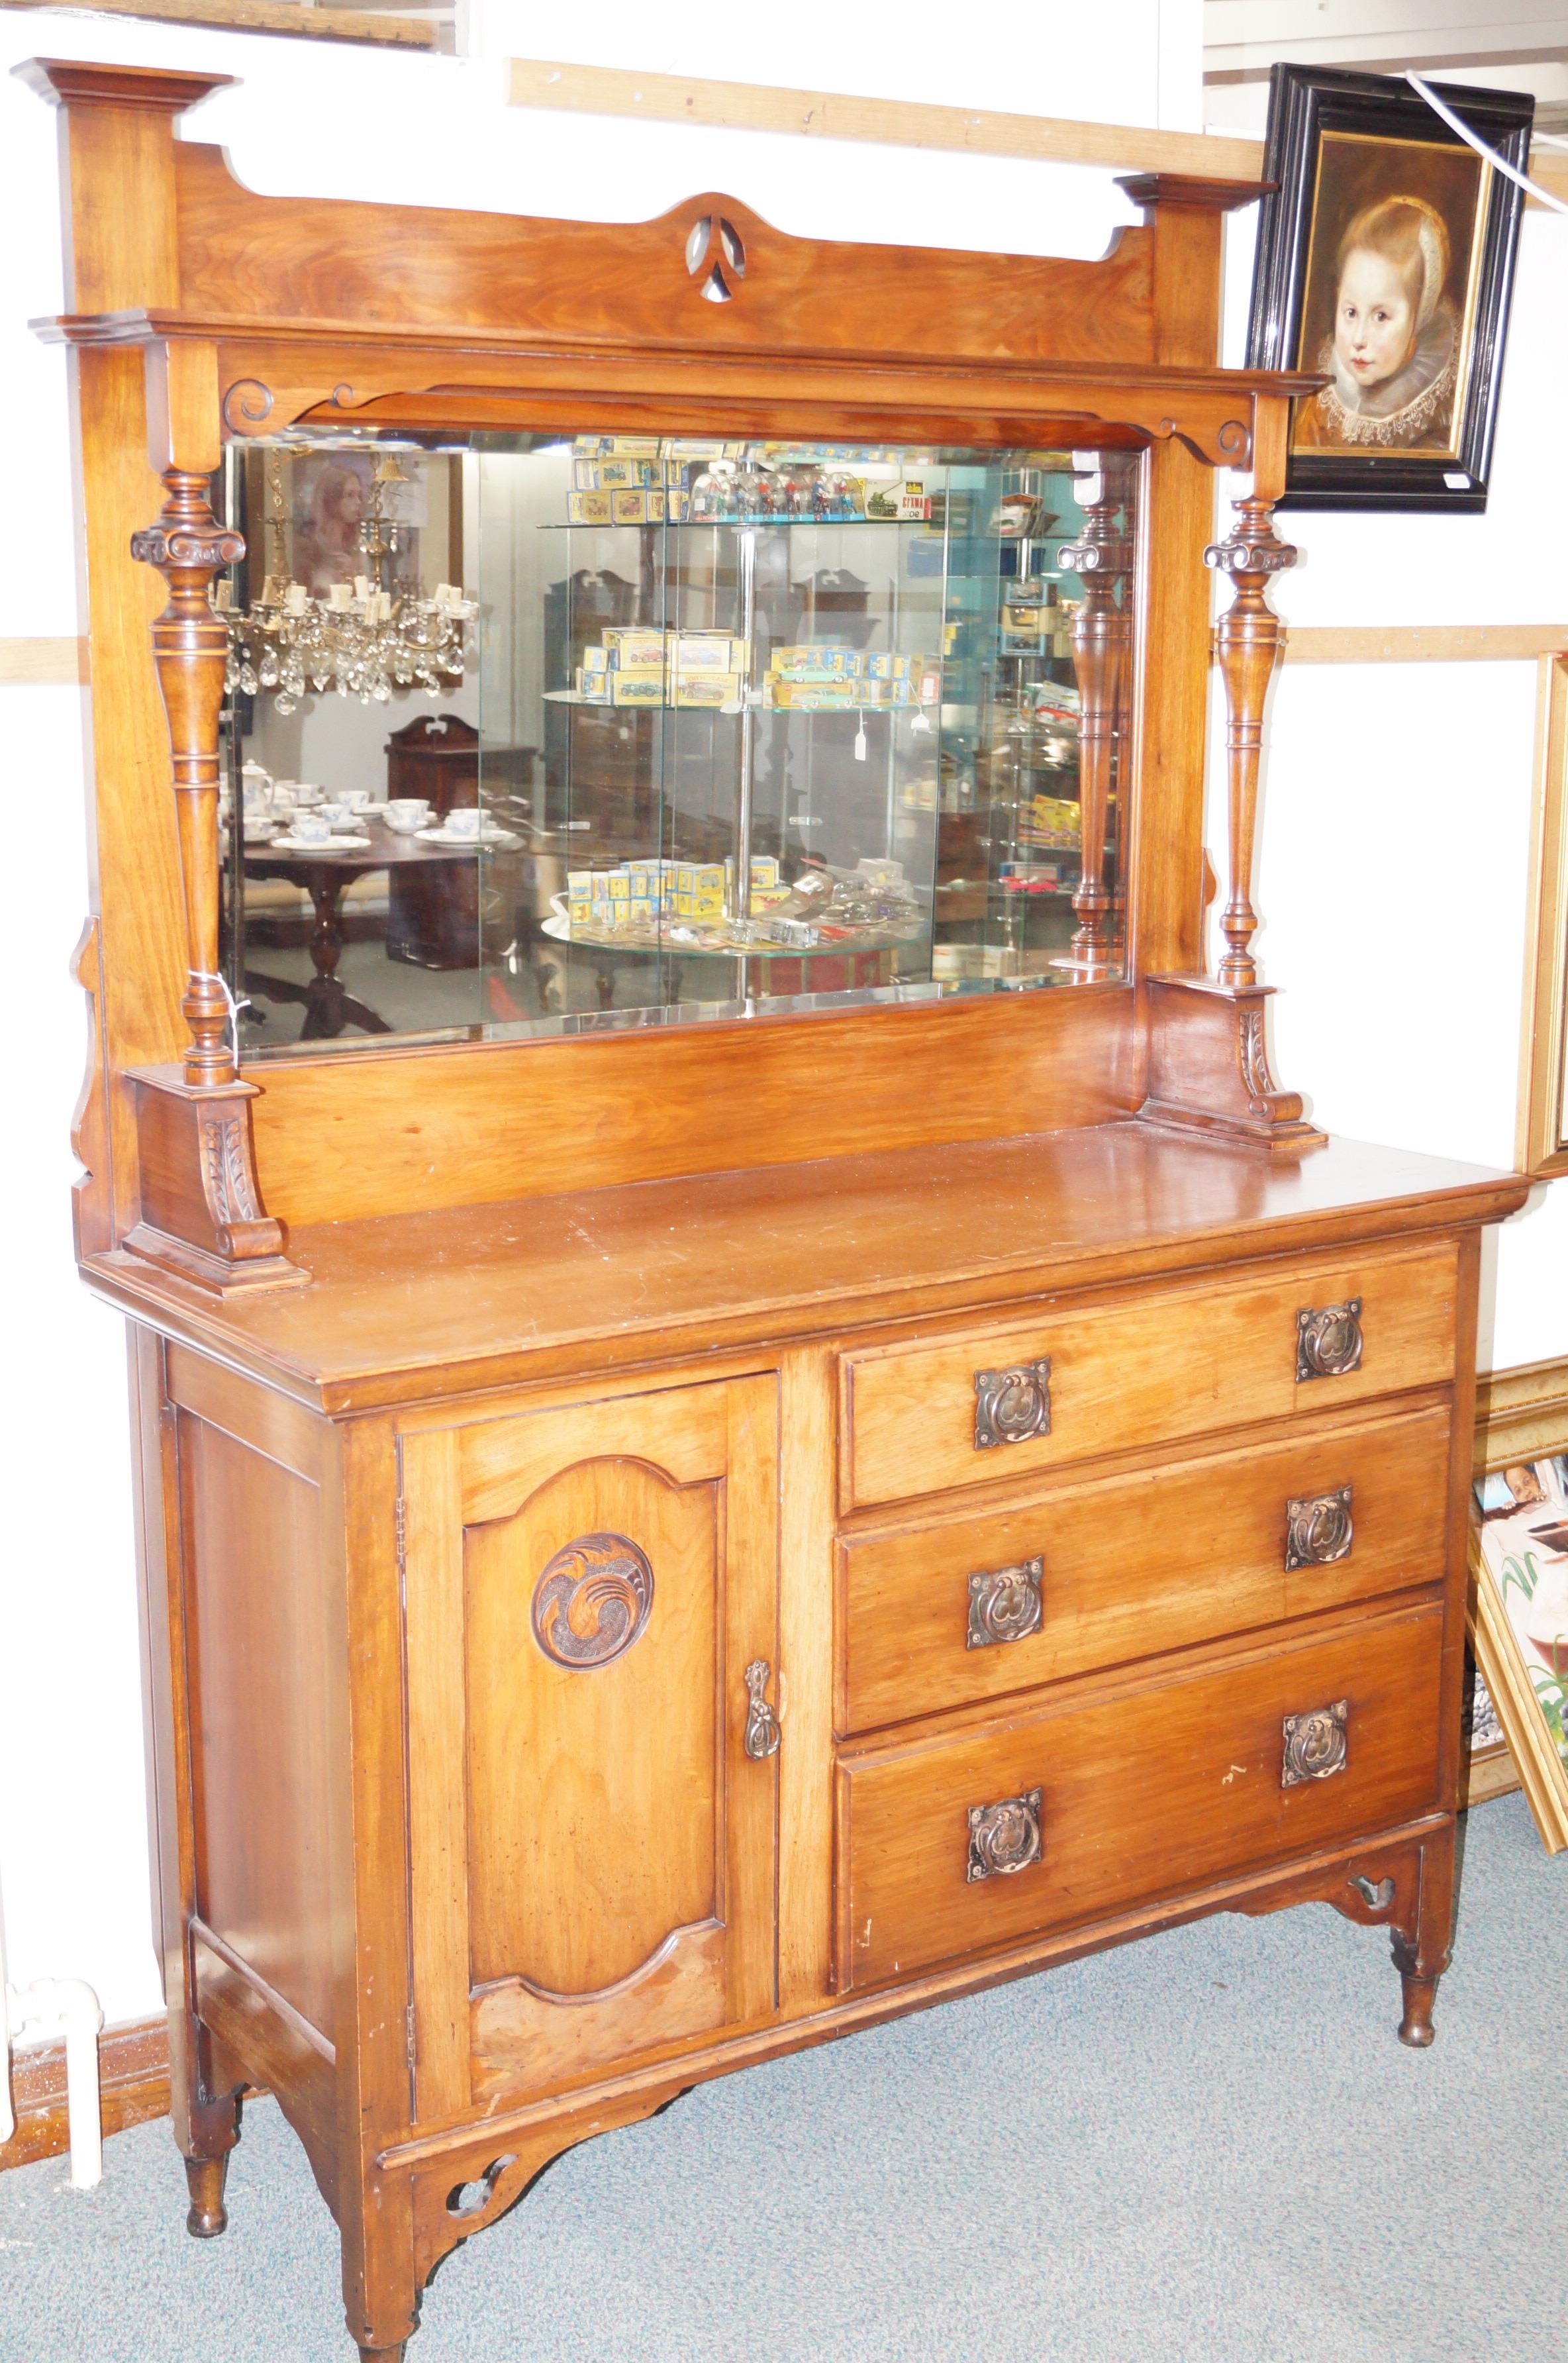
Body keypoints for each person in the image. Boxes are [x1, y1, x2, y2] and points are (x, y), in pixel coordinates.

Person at [1295, 193, 1458, 451]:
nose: (1359, 339)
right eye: (1351, 312)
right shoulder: (1324, 402)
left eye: (1381, 316)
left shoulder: (1437, 419)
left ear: (1417, 320)